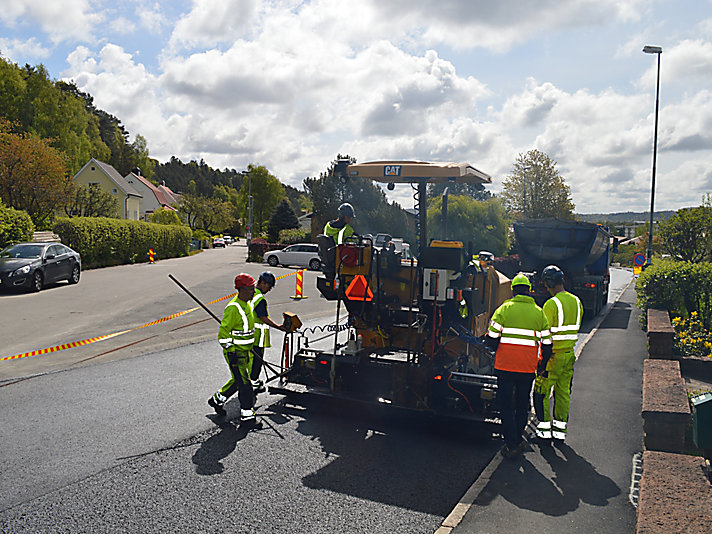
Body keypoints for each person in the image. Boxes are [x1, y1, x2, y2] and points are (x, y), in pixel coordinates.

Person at [486, 273, 552, 458]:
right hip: (527, 368)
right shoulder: (539, 313)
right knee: (522, 405)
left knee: (506, 405)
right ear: (529, 290)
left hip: (504, 367)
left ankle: (511, 442)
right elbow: (547, 344)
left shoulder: (503, 309)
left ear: (513, 290)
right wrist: (542, 364)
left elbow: (491, 340)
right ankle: (516, 440)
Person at [534, 265, 583, 442]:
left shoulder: (551, 304)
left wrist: (541, 362)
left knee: (542, 392)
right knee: (563, 393)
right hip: (570, 355)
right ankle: (559, 431)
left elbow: (544, 334)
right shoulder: (576, 301)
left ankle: (544, 432)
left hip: (552, 357)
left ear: (548, 283)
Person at [208, 273, 258, 423]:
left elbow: (246, 330)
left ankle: (217, 400)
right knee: (245, 385)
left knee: (238, 381)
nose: (254, 291)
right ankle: (247, 417)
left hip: (246, 350)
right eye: (251, 289)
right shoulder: (233, 308)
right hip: (236, 353)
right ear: (241, 289)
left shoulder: (247, 304)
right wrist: (231, 352)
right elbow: (223, 334)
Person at [249, 271, 285, 394]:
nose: (269, 289)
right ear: (262, 283)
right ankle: (253, 383)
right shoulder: (260, 299)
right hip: (257, 337)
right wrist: (279, 327)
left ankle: (252, 381)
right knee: (257, 361)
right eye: (269, 286)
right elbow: (263, 318)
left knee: (251, 360)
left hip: (248, 335)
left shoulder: (250, 293)